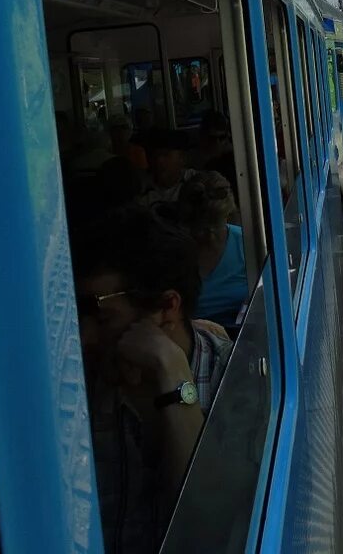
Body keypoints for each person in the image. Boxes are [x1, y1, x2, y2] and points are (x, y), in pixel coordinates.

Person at [72, 210, 231, 554]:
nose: (84, 337)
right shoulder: (74, 388)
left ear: (167, 307)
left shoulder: (236, 382)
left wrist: (173, 375)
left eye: (101, 317)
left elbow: (209, 534)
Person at [170, 172, 249, 330]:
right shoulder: (174, 255)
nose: (210, 237)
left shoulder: (249, 245)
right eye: (201, 229)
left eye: (216, 228)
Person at [137, 130, 199, 207]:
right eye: (154, 154)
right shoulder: (139, 186)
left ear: (182, 158)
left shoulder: (196, 179)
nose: (159, 160)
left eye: (165, 154)